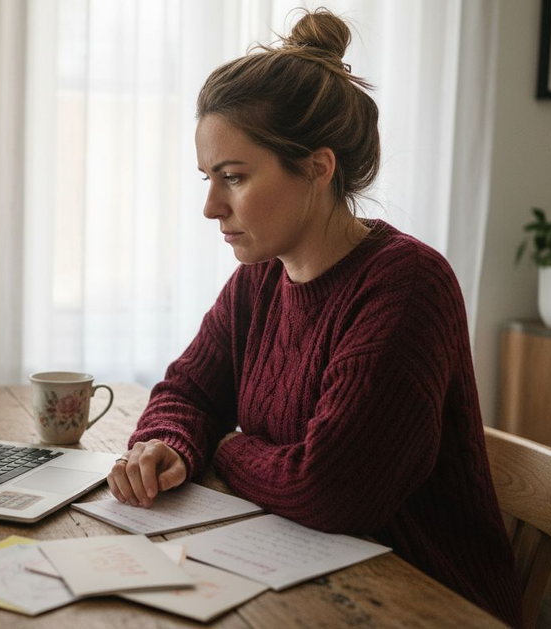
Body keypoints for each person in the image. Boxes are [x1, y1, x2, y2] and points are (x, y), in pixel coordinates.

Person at [105, 9, 523, 628]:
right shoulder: (260, 278)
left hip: (421, 597)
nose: (211, 206)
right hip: (301, 575)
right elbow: (188, 389)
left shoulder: (407, 285)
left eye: (234, 177)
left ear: (319, 168)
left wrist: (222, 447)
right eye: (208, 178)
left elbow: (332, 490)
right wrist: (171, 441)